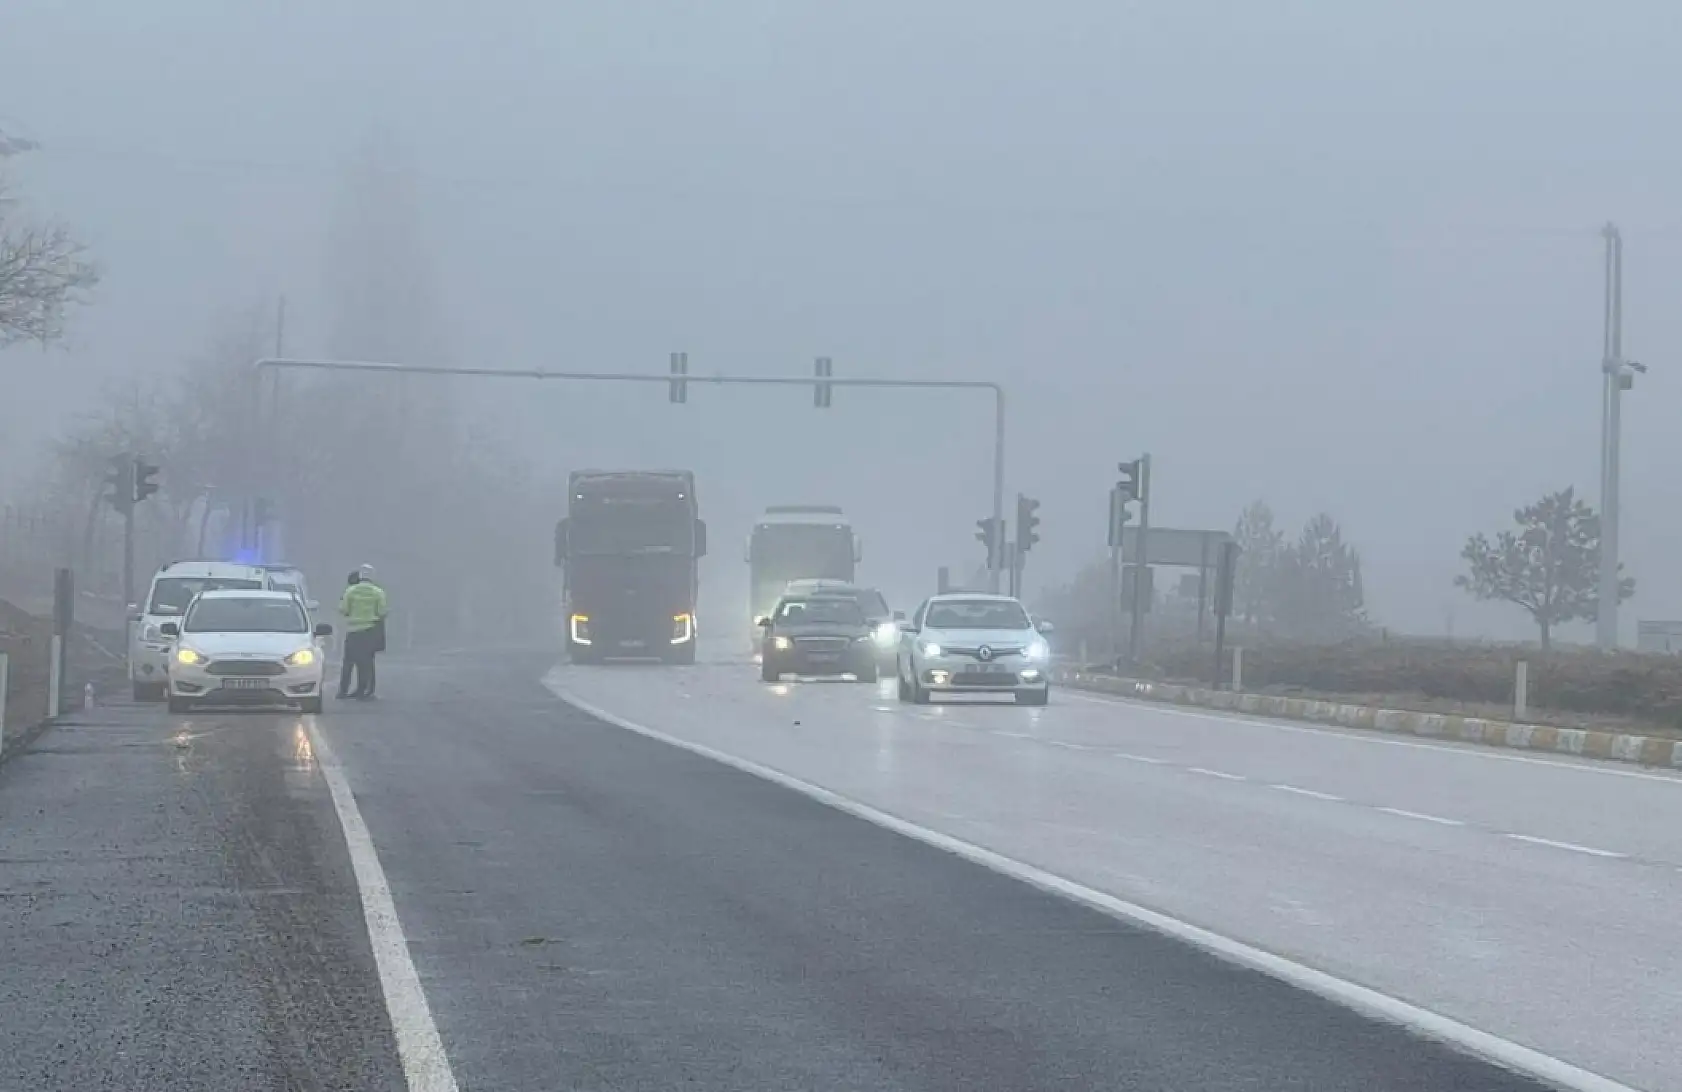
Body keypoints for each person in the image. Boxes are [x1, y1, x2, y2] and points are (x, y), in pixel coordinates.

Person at [338, 567, 388, 699]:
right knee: (365, 663)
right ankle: (362, 691)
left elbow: (343, 610)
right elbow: (382, 612)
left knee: (348, 662)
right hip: (369, 631)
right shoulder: (378, 592)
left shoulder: (351, 591)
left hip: (353, 631)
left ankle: (343, 691)